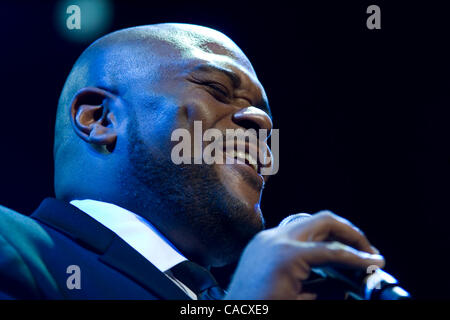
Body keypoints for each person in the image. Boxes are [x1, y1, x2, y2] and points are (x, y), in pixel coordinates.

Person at [0, 23, 384, 299]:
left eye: (267, 122)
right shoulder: (12, 246)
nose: (263, 123)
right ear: (101, 118)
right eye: (217, 88)